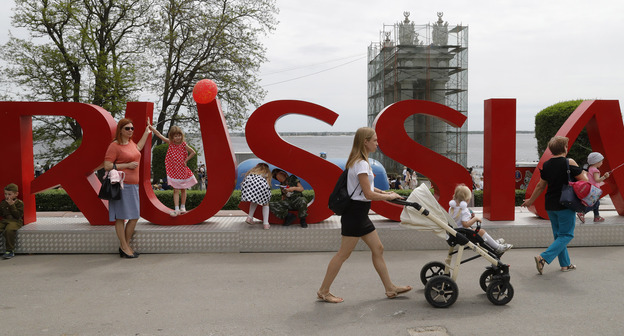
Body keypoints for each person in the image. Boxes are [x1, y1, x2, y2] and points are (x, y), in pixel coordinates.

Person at [317, 127, 412, 303]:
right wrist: (388, 196)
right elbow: (368, 194)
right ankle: (323, 291)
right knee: (343, 254)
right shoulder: (361, 163)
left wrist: (387, 193)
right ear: (365, 142)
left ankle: (390, 288)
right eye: (374, 140)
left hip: (360, 214)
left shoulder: (359, 161)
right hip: (355, 214)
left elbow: (367, 187)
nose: (377, 143)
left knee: (378, 248)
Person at [522, 136, 587, 274]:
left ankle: (565, 264)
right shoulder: (569, 162)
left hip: (550, 205)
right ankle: (543, 257)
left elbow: (540, 186)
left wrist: (530, 201)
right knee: (567, 235)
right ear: (564, 148)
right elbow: (584, 181)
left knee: (559, 236)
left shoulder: (546, 164)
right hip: (566, 203)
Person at [104, 118, 152, 258]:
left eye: (132, 128)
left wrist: (146, 132)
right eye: (127, 128)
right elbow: (107, 165)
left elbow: (138, 149)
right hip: (121, 185)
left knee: (134, 216)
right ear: (120, 130)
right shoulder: (114, 146)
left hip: (133, 186)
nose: (130, 131)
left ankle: (124, 245)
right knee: (120, 217)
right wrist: (127, 165)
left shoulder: (131, 143)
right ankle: (125, 247)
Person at [448, 184, 512, 255]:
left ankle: (493, 243)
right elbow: (465, 224)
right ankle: (498, 247)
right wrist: (475, 219)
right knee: (481, 232)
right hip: (463, 234)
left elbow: (459, 221)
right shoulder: (464, 210)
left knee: (479, 233)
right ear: (467, 200)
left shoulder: (452, 208)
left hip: (456, 233)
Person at [150, 125, 197, 216]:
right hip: (174, 171)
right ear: (172, 137)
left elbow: (193, 152)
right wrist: (151, 127)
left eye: (179, 135)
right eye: (175, 136)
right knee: (175, 190)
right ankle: (176, 208)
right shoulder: (170, 143)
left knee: (183, 189)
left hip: (182, 170)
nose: (178, 137)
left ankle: (183, 207)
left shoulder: (183, 144)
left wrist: (186, 160)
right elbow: (159, 134)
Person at [577, 152, 610, 223]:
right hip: (594, 190)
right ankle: (582, 213)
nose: (602, 163)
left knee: (595, 202)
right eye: (601, 161)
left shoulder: (590, 168)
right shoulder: (596, 170)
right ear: (596, 162)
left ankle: (596, 216)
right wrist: (605, 176)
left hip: (590, 189)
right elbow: (597, 180)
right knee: (595, 203)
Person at [240, 163, 272, 230]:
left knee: (254, 199)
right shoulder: (266, 174)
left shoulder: (252, 172)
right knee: (266, 203)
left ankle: (249, 217)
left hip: (250, 187)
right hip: (262, 187)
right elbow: (268, 185)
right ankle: (266, 224)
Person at [0, 183, 24, 259]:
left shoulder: (19, 203)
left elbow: (18, 215)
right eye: (5, 194)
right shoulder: (3, 202)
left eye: (9, 194)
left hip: (15, 221)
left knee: (9, 230)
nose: (7, 196)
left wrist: (12, 205)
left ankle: (10, 251)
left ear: (16, 194)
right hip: (5, 220)